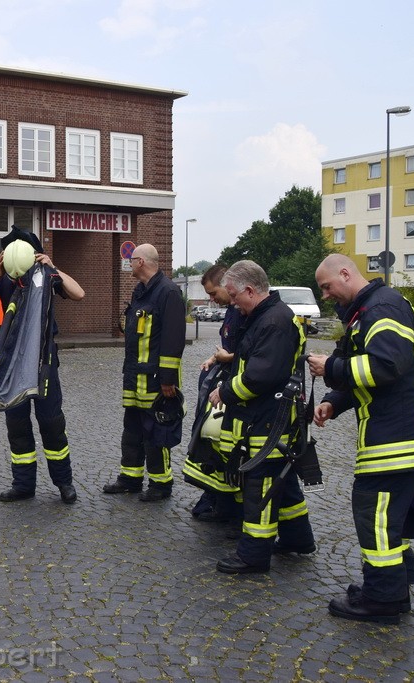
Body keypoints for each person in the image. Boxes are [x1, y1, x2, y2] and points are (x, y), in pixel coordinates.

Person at [307, 254, 414, 624]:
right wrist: (333, 401)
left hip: (396, 435)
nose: (326, 295)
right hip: (395, 432)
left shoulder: (382, 309)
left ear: (346, 274)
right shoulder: (370, 309)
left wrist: (329, 367)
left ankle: (383, 599)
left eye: (327, 286)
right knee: (388, 515)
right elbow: (365, 372)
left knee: (374, 515)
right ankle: (396, 585)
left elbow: (384, 367)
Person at [207, 260, 315, 574]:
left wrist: (224, 392)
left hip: (269, 420)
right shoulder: (266, 317)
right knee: (285, 484)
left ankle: (253, 554)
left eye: (233, 295)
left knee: (261, 487)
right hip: (270, 417)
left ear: (250, 291)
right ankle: (298, 539)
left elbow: (260, 376)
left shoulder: (274, 321)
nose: (232, 303)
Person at [0, 229, 85, 504]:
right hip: (12, 364)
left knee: (52, 423)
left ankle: (64, 483)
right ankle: (23, 485)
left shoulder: (45, 277)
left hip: (44, 361)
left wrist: (53, 266)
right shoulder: (6, 280)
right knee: (17, 426)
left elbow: (79, 293)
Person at [102, 244, 186, 501]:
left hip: (157, 381)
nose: (128, 264)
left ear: (141, 262)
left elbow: (173, 339)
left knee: (156, 432)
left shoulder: (168, 292)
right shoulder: (141, 291)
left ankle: (161, 485)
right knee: (133, 430)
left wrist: (168, 379)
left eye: (131, 260)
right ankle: (130, 479)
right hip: (135, 377)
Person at [184, 263, 244, 520]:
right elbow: (231, 347)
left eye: (213, 293)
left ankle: (227, 507)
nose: (211, 299)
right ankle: (216, 500)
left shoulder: (243, 312)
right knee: (213, 442)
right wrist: (214, 357)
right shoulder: (232, 311)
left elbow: (246, 353)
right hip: (225, 383)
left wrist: (227, 358)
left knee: (225, 446)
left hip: (236, 390)